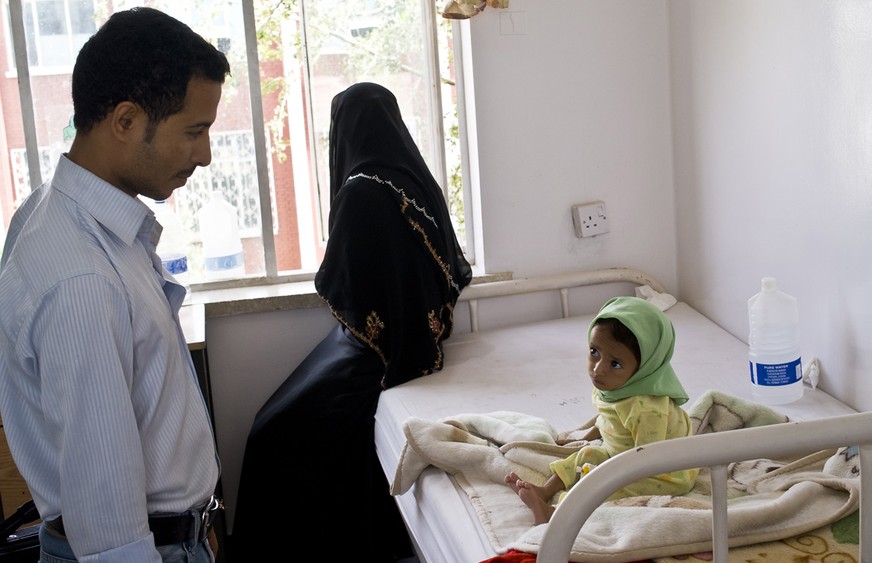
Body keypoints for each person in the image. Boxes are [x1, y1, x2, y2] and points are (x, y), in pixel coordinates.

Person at [0, 7, 230, 562]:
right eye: (193, 132)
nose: (204, 154)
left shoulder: (55, 214)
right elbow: (108, 525)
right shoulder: (81, 278)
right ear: (125, 121)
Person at [232, 82, 472, 561]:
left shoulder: (362, 190)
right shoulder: (417, 180)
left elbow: (341, 284)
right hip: (420, 347)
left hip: (373, 354)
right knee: (279, 422)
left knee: (272, 430)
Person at [505, 296, 698, 524]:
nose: (598, 370)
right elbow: (608, 419)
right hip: (621, 452)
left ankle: (557, 513)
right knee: (587, 453)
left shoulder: (646, 410)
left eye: (615, 363)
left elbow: (646, 457)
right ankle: (546, 491)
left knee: (607, 486)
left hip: (664, 471)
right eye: (594, 352)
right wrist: (583, 439)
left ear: (644, 368)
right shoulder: (613, 387)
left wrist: (605, 475)